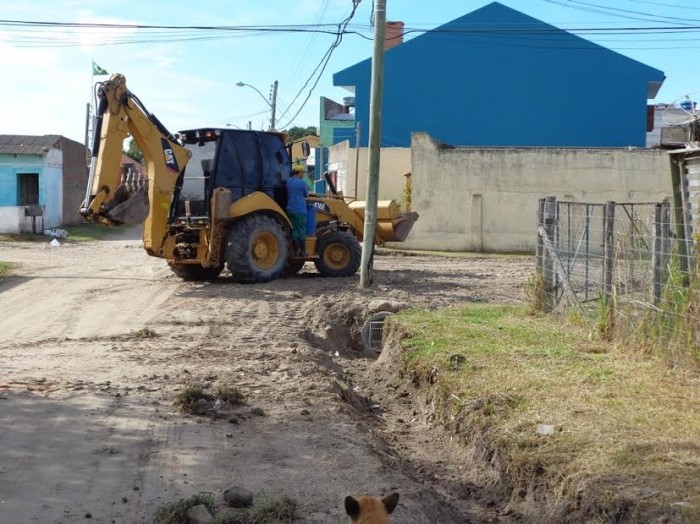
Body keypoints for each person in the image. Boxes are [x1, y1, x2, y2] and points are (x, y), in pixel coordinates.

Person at [286, 164, 308, 256]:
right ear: (299, 173)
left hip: (290, 209)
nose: (303, 175)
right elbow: (306, 195)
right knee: (302, 230)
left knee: (294, 230)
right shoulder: (301, 183)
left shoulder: (288, 181)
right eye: (303, 173)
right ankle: (303, 252)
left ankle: (295, 251)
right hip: (300, 210)